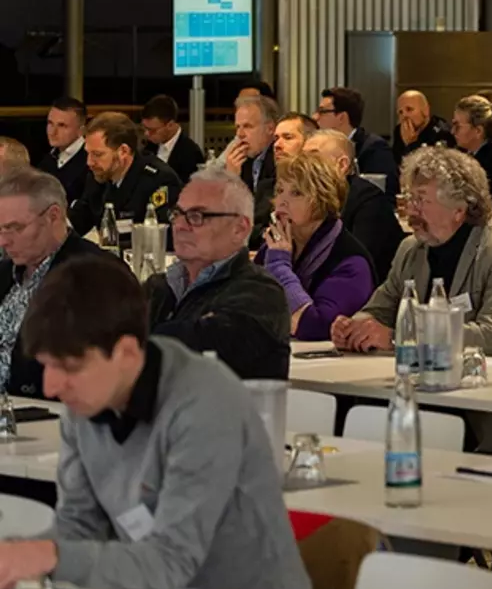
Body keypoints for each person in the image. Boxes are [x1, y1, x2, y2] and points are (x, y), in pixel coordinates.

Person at [0, 254, 310, 589]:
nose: (50, 387)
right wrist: (16, 558)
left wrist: (49, 555)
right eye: (46, 365)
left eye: (69, 367)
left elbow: (172, 561)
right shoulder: (87, 400)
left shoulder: (204, 402)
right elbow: (79, 526)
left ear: (127, 354)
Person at [334, 147, 492, 352]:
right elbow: (380, 310)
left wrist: (398, 338)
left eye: (421, 199)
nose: (411, 209)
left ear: (459, 210)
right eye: (410, 197)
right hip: (428, 373)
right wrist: (355, 327)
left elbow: (490, 336)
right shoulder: (411, 249)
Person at [144, 168, 290, 379]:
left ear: (239, 228)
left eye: (197, 216)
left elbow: (202, 347)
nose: (180, 226)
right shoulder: (158, 288)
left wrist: (138, 339)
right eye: (177, 214)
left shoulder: (261, 293)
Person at [0, 168, 121, 398]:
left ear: (53, 216)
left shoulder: (96, 274)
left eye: (15, 228)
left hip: (44, 412)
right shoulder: (5, 273)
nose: (3, 241)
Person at [254, 152, 376, 342]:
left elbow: (317, 326)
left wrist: (279, 267)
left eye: (296, 193)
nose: (282, 201)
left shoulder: (350, 261)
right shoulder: (276, 245)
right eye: (279, 191)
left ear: (322, 199)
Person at [304, 130, 404, 283]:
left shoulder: (369, 200)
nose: (303, 165)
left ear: (342, 165)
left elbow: (357, 262)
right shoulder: (306, 199)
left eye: (313, 157)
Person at [66, 111, 183, 239]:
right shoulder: (99, 175)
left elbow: (160, 239)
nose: (89, 162)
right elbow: (78, 220)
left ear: (123, 151)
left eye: (97, 154)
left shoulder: (158, 180)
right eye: (88, 153)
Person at [316, 87, 398, 195]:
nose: (315, 117)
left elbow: (382, 194)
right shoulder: (321, 147)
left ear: (342, 117)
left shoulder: (373, 148)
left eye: (322, 112)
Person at [226, 94, 280, 249]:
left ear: (270, 128)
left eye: (248, 126)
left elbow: (258, 221)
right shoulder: (243, 161)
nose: (240, 135)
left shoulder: (278, 162)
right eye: (237, 127)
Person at [140, 94, 204, 185]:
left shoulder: (191, 153)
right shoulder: (148, 148)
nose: (146, 134)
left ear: (170, 125)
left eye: (152, 130)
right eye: (144, 128)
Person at [37, 96, 90, 204]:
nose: (53, 132)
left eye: (62, 125)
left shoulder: (90, 162)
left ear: (81, 130)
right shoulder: (47, 160)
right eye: (50, 123)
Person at [392, 89, 452, 163]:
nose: (404, 115)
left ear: (425, 110)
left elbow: (430, 169)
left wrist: (411, 144)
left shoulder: (442, 133)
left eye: (409, 109)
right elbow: (396, 164)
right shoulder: (399, 130)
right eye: (400, 112)